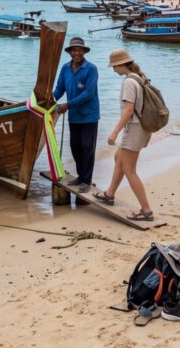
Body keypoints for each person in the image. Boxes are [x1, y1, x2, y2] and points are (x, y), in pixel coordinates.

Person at [92, 49, 155, 221]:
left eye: (114, 66)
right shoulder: (139, 78)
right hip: (142, 128)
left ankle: (146, 210)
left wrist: (114, 133)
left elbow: (128, 111)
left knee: (129, 170)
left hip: (134, 129)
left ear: (122, 64)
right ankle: (110, 194)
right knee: (118, 157)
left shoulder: (129, 82)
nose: (114, 70)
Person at [52, 37, 100, 193]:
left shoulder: (91, 69)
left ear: (84, 52)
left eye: (79, 50)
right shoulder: (65, 68)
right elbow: (60, 88)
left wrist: (68, 104)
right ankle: (80, 176)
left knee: (87, 148)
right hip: (74, 116)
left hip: (89, 116)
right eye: (74, 50)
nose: (76, 53)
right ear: (70, 52)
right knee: (75, 147)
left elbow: (88, 93)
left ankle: (86, 180)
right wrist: (49, 100)